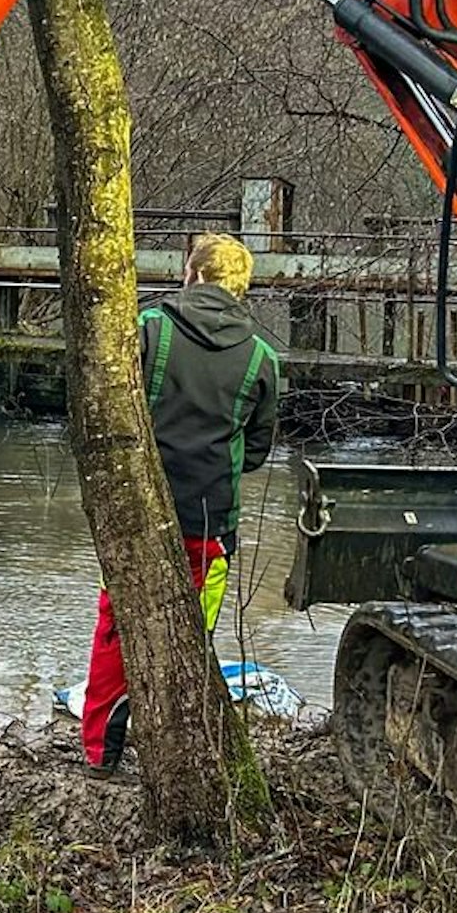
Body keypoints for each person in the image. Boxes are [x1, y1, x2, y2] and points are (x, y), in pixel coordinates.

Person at [79, 231, 281, 774]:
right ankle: (179, 758)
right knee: (194, 636)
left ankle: (101, 753)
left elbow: (110, 409)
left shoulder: (148, 329)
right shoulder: (262, 357)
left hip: (137, 511)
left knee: (115, 629)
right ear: (242, 288)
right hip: (211, 521)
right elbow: (258, 450)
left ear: (191, 274)